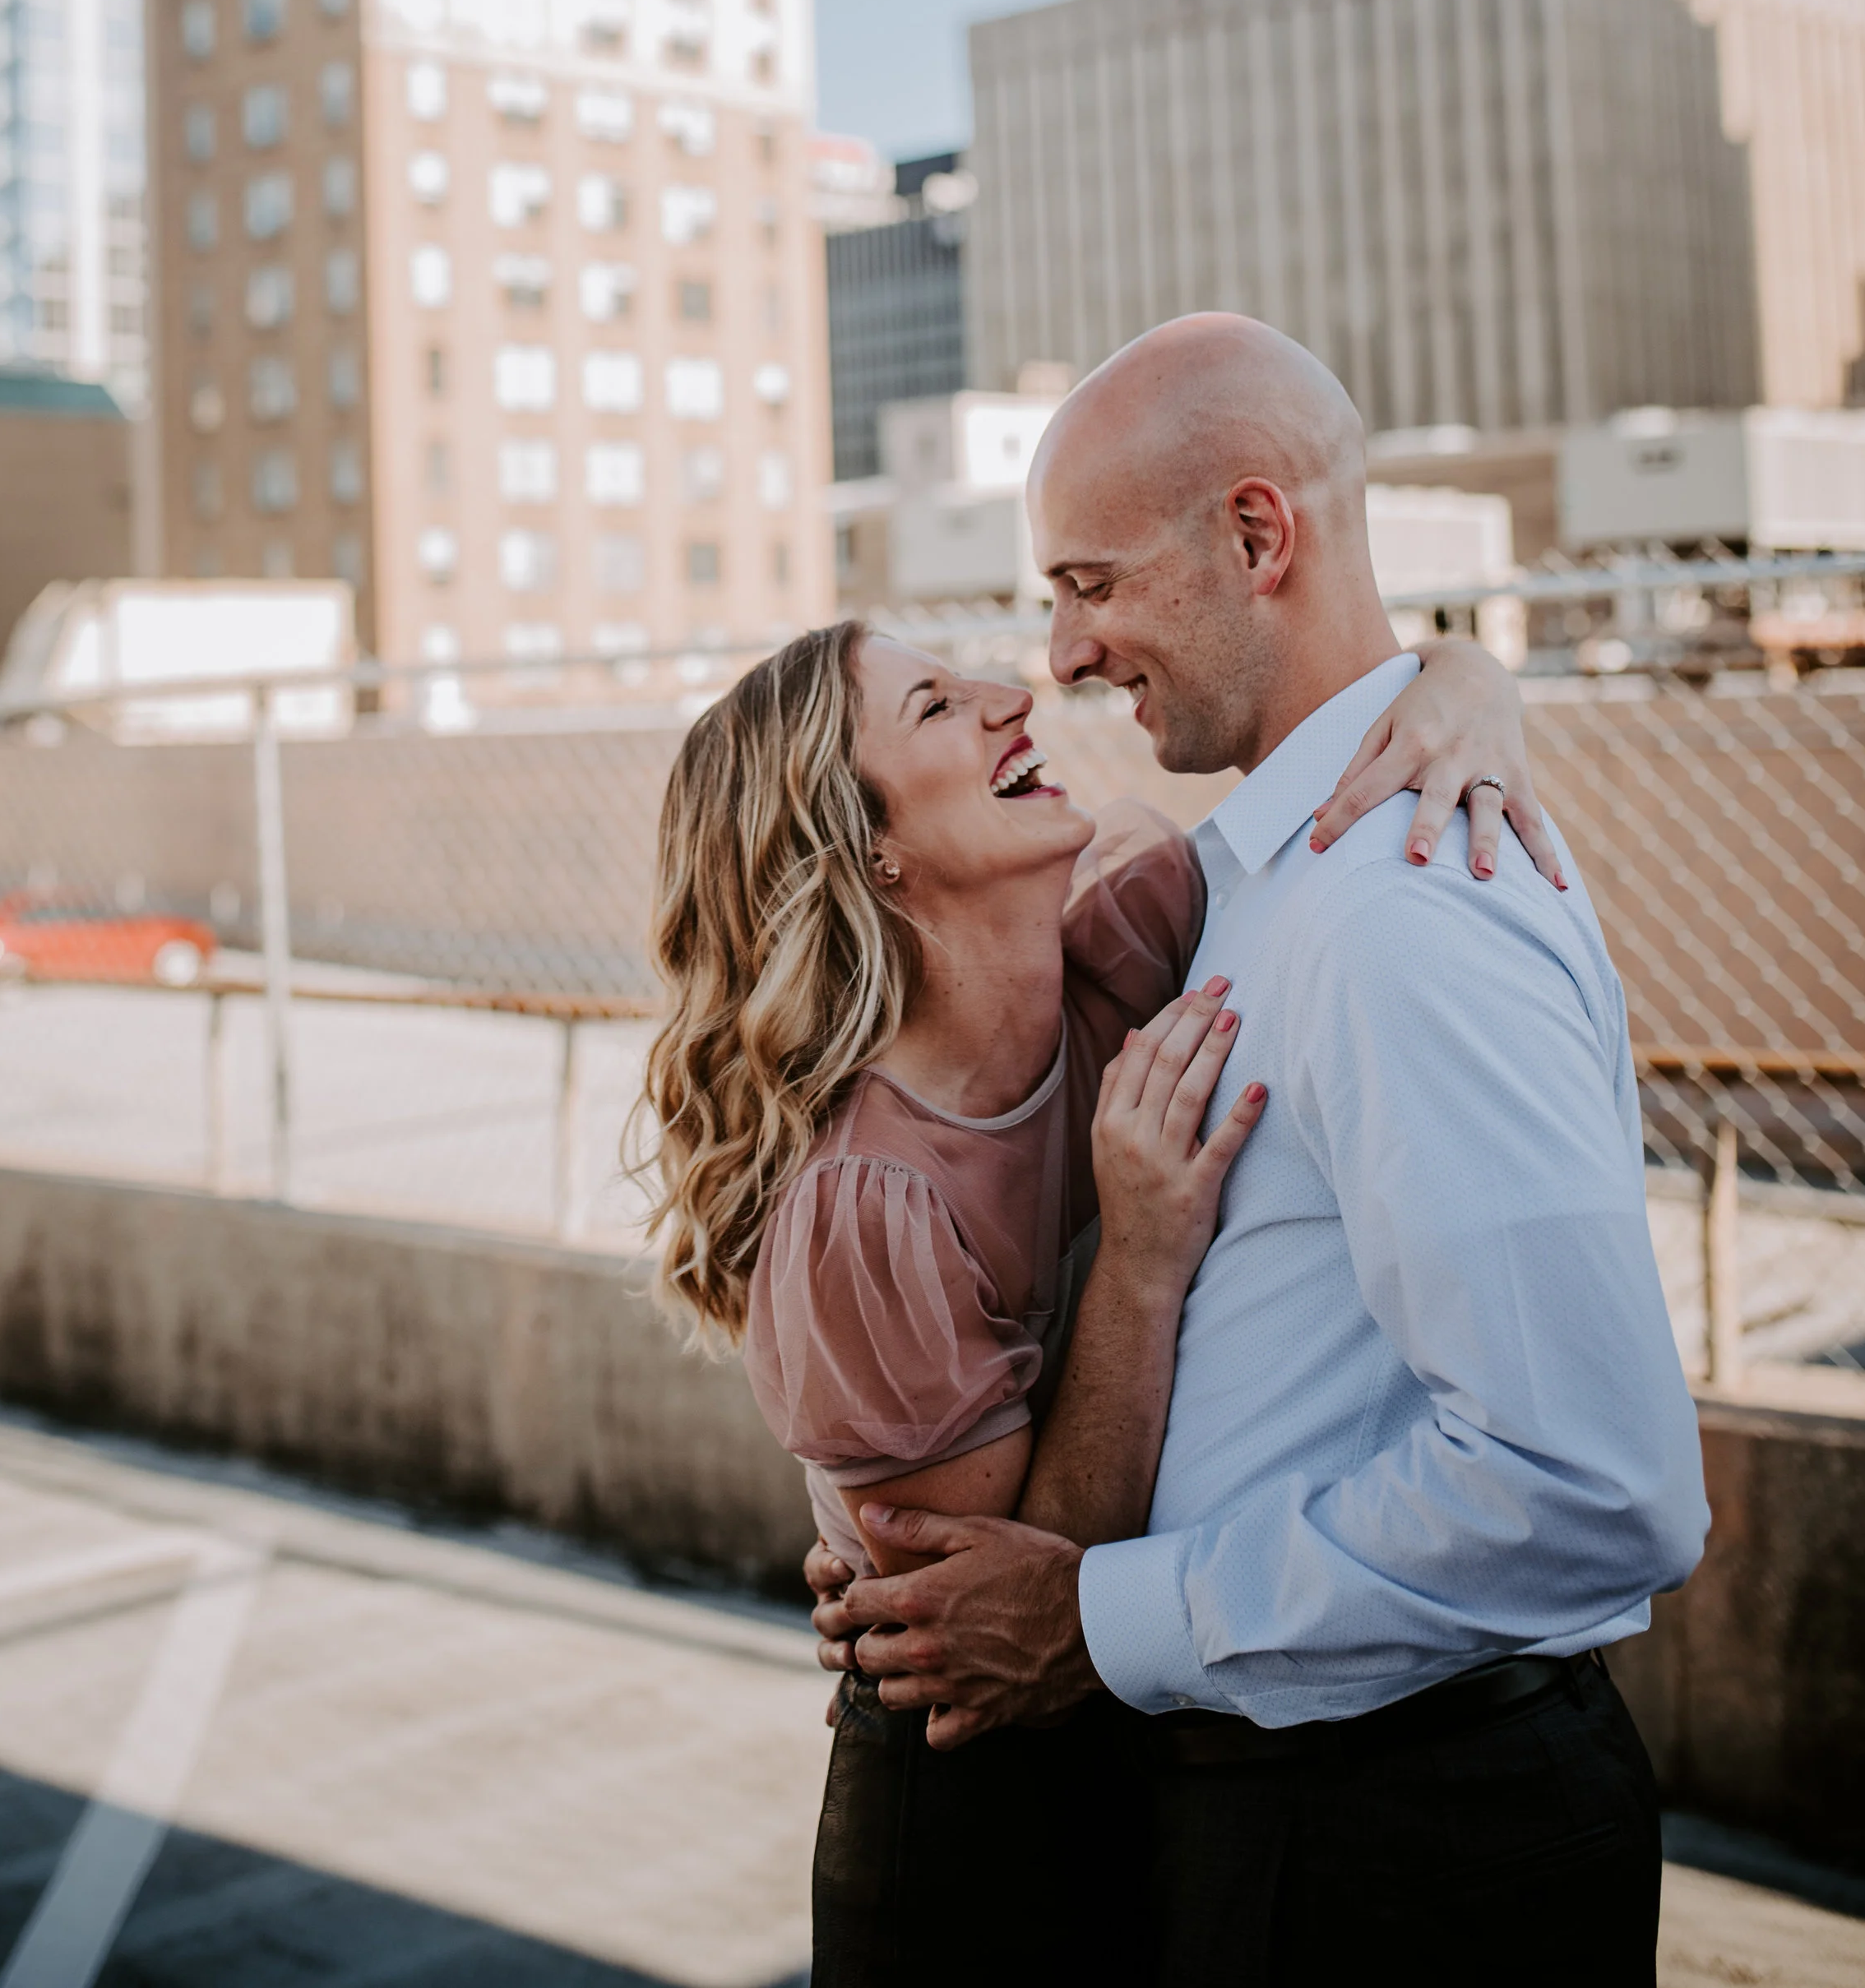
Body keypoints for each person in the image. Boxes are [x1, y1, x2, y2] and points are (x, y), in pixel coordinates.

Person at [824, 315, 1709, 1988]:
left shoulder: (1395, 913)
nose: (1064, 656)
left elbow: (1591, 1485)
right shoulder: (1255, 875)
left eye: (1090, 583)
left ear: (1253, 537)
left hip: (1405, 1847)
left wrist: (1095, 1620)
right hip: (1281, 1816)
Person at [638, 574, 1559, 1986]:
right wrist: (1137, 1256)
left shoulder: (1123, 931)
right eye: (937, 706)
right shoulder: (869, 1210)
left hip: (1152, 1744)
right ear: (868, 850)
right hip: (974, 1797)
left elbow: (1320, 770)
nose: (1017, 693)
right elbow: (1018, 1607)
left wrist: (1466, 681)